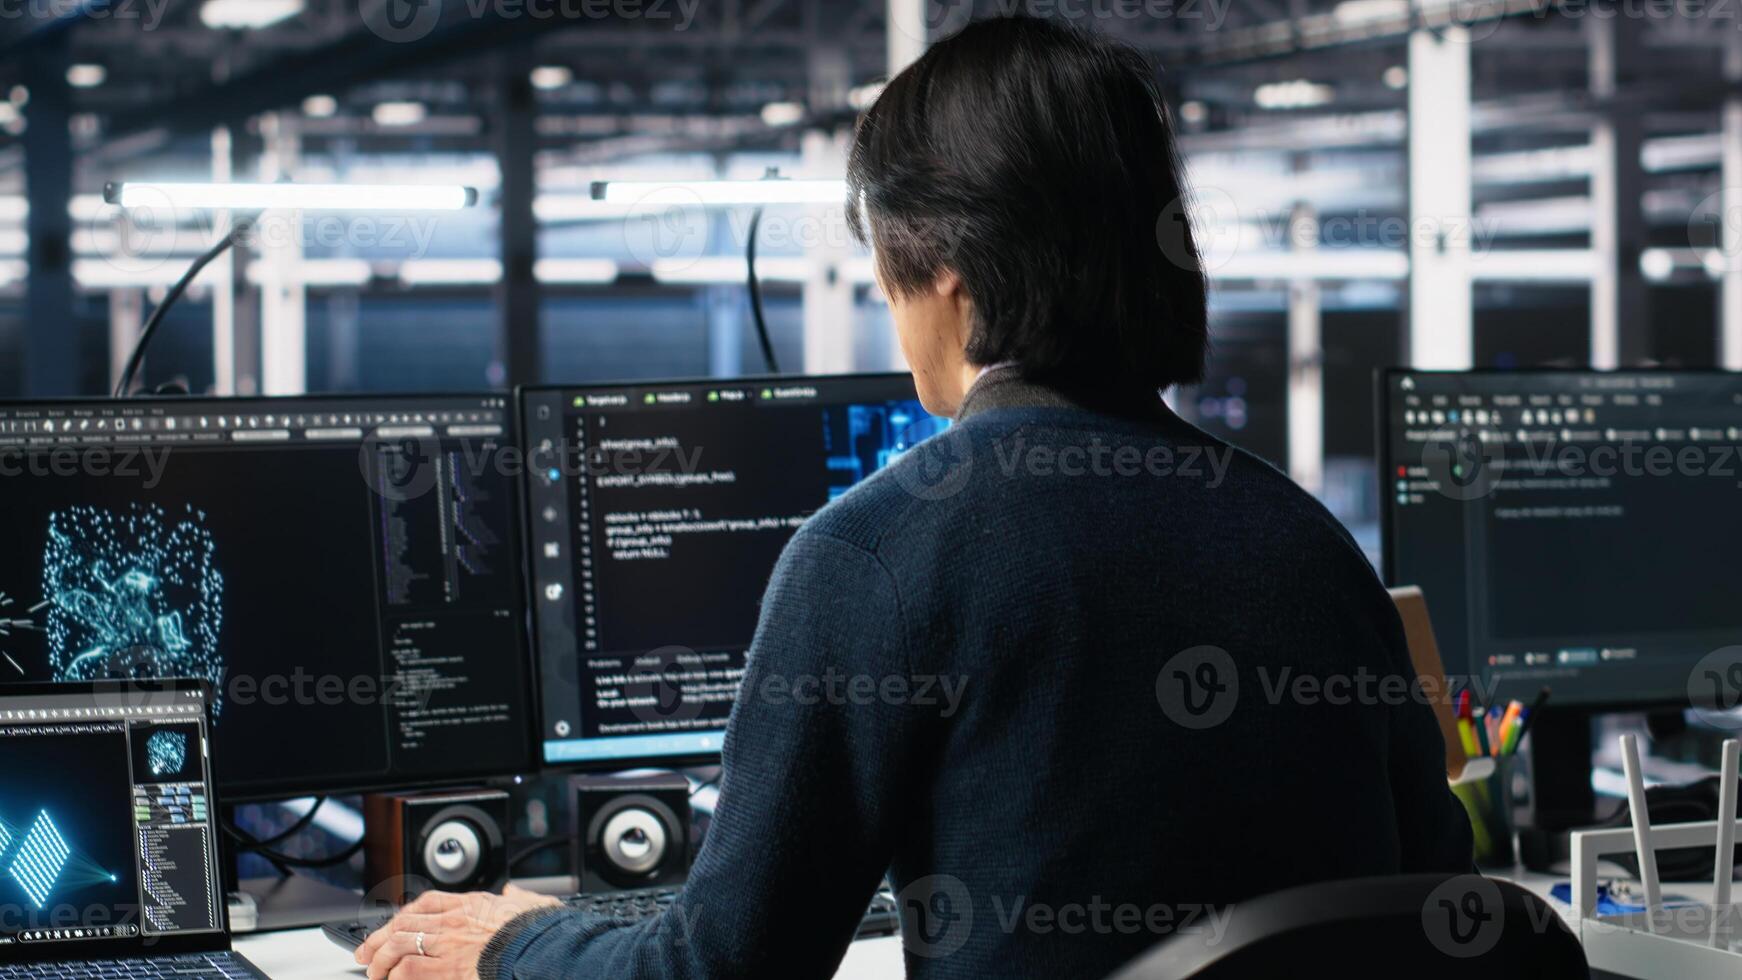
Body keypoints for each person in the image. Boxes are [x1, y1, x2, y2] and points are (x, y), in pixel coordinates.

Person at [358, 15, 1472, 980]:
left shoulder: (878, 553)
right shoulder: (1312, 544)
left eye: (885, 266)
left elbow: (722, 965)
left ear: (941, 264)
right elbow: (1433, 890)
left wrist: (517, 942)